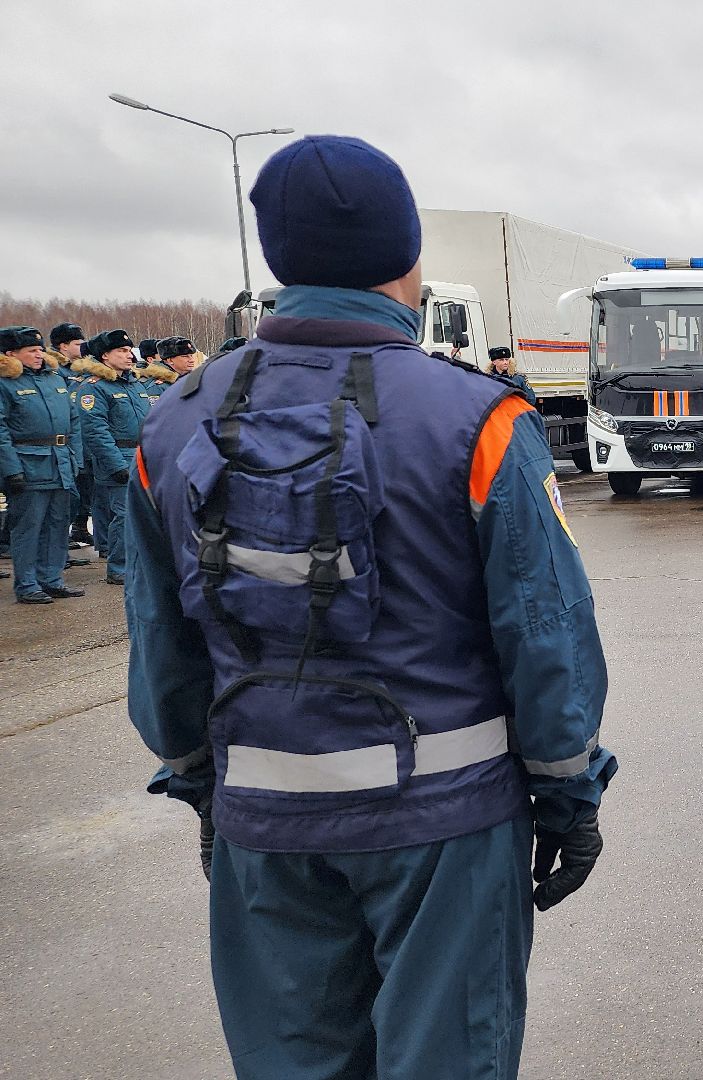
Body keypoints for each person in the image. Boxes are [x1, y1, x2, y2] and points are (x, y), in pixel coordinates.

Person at [125, 134, 616, 1079]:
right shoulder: (478, 420)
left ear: (277, 259)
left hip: (263, 823)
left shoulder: (173, 420)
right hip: (443, 829)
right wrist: (568, 790)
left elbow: (160, 641)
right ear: (406, 256)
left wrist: (201, 786)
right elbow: (546, 636)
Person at [0, 326, 87, 603]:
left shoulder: (53, 378)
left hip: (60, 462)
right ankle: (27, 584)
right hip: (28, 463)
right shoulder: (6, 383)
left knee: (58, 524)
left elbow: (73, 420)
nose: (39, 355)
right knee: (28, 527)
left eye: (40, 349)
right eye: (32, 351)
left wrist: (75, 456)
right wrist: (11, 469)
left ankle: (52, 579)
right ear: (11, 354)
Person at [74, 329, 146, 586]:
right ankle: (119, 567)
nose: (129, 356)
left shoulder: (135, 384)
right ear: (105, 356)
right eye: (122, 351)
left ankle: (139, 565)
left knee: (144, 515)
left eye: (129, 351)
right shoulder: (95, 388)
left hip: (142, 455)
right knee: (124, 516)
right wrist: (116, 465)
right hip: (119, 458)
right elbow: (95, 431)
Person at [48, 323, 94, 549]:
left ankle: (79, 527)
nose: (82, 346)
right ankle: (57, 541)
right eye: (77, 343)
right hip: (60, 445)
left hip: (79, 439)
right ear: (63, 346)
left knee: (83, 491)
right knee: (69, 494)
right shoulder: (55, 371)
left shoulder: (79, 369)